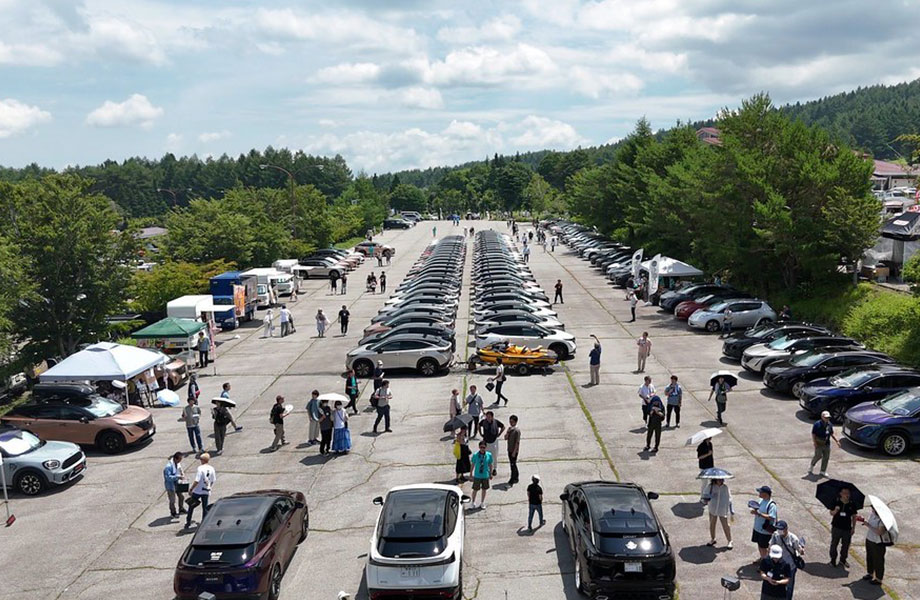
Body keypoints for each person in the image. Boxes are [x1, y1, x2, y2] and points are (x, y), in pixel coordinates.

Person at [769, 521, 804, 600]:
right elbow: (770, 547)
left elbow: (799, 549)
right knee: (777, 584)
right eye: (778, 529)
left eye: (781, 529)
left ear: (786, 529)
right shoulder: (775, 535)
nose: (779, 531)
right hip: (778, 565)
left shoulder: (793, 538)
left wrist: (801, 550)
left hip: (790, 566)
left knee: (789, 586)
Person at [184, 453, 216, 529]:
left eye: (201, 459)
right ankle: (204, 523)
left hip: (198, 490)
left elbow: (197, 480)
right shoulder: (212, 468)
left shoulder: (200, 468)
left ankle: (188, 522)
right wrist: (209, 487)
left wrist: (191, 489)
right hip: (206, 491)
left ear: (203, 460)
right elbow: (213, 480)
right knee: (205, 507)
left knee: (191, 506)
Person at [829, 487, 857, 568]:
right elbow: (831, 513)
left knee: (846, 545)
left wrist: (853, 528)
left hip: (847, 529)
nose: (847, 495)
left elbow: (854, 517)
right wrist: (835, 511)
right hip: (836, 527)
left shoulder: (852, 504)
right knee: (834, 544)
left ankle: (843, 560)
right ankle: (833, 559)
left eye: (848, 493)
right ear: (840, 494)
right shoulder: (836, 501)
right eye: (844, 493)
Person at [860, 506, 888, 586]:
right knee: (869, 557)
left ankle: (878, 579)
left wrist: (868, 525)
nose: (872, 510)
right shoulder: (873, 515)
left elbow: (880, 532)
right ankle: (870, 573)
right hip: (869, 539)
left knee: (878, 560)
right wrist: (864, 520)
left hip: (878, 542)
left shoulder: (882, 520)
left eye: (873, 508)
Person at [808, 410, 840, 478]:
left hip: (826, 443)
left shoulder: (829, 424)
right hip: (819, 443)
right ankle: (812, 465)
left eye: (828, 417)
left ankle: (823, 471)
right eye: (826, 417)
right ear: (822, 417)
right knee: (818, 455)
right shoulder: (817, 424)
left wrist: (837, 441)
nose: (827, 419)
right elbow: (813, 434)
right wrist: (815, 443)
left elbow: (831, 433)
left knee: (826, 457)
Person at [703, 478, 733, 549]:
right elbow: (705, 495)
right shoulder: (710, 486)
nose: (721, 481)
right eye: (719, 480)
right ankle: (713, 539)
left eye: (722, 480)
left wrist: (731, 508)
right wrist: (709, 496)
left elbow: (729, 497)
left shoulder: (725, 487)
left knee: (726, 525)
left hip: (722, 509)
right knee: (712, 524)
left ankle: (729, 541)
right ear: (715, 480)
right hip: (713, 508)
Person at [752, 485, 779, 560]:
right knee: (760, 545)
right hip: (757, 528)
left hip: (764, 531)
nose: (759, 493)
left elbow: (771, 517)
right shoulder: (761, 500)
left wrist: (759, 514)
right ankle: (763, 558)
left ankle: (766, 562)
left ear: (765, 494)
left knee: (763, 547)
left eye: (760, 492)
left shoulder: (771, 505)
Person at [478, 411, 505, 476]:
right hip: (486, 442)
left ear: (492, 417)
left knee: (494, 456)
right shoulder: (484, 422)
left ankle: (494, 469)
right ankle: (487, 468)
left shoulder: (496, 422)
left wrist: (499, 434)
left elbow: (503, 427)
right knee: (485, 456)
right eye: (487, 417)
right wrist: (480, 433)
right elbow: (478, 425)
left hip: (494, 442)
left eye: (489, 417)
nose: (488, 418)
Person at [470, 441, 493, 509]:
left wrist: (490, 473)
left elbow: (490, 464)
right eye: (481, 447)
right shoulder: (475, 455)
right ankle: (473, 502)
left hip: (485, 475)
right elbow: (473, 465)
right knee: (475, 489)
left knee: (484, 489)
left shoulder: (489, 455)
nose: (482, 449)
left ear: (486, 447)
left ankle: (482, 502)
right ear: (479, 447)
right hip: (477, 475)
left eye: (484, 447)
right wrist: (471, 474)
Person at [163, 452, 187, 518]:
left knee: (181, 497)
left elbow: (179, 469)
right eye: (179, 459)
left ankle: (181, 508)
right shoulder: (168, 467)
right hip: (170, 486)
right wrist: (177, 477)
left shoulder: (177, 463)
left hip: (177, 483)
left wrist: (182, 473)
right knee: (172, 500)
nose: (180, 461)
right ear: (175, 459)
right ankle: (173, 512)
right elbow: (168, 478)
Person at [697, 437, 715, 502]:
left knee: (711, 482)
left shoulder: (710, 444)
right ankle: (702, 497)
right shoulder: (701, 446)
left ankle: (709, 496)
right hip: (703, 467)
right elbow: (699, 457)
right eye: (709, 438)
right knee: (704, 483)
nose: (710, 439)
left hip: (710, 466)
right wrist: (708, 454)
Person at [505, 415, 521, 485]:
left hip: (514, 450)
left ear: (515, 422)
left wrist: (514, 451)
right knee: (513, 464)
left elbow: (517, 442)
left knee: (512, 465)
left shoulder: (517, 431)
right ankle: (516, 476)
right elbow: (505, 438)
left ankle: (512, 478)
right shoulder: (510, 429)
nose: (511, 423)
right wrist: (507, 432)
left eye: (512, 422)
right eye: (510, 421)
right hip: (509, 449)